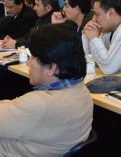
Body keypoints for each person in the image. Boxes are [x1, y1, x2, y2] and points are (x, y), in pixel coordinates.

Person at [0, 23, 93, 156]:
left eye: (32, 57)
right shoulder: (81, 91)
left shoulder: (41, 104)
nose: (28, 63)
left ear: (51, 68)